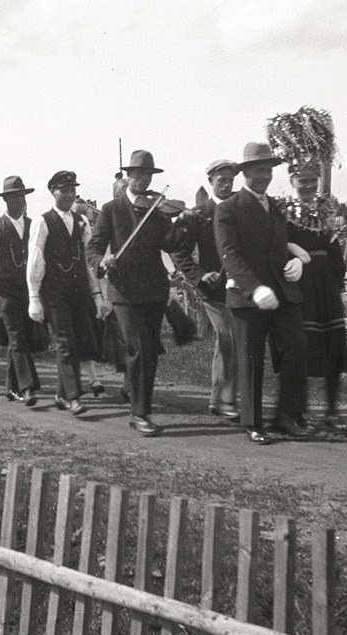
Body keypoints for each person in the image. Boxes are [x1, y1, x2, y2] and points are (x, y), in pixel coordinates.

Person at [216, 142, 312, 445]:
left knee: (296, 348)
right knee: (252, 358)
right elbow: (229, 254)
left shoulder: (276, 208)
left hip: (282, 293)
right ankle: (253, 422)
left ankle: (287, 414)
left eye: (269, 171)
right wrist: (254, 288)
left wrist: (297, 258)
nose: (265, 177)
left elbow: (283, 241)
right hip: (248, 297)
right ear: (245, 173)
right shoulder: (228, 209)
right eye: (258, 171)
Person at [86, 150, 176, 437]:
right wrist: (101, 261)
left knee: (149, 351)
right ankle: (139, 414)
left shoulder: (159, 212)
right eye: (138, 174)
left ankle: (142, 406)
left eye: (148, 175)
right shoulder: (112, 209)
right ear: (128, 176)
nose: (143, 179)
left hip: (154, 289)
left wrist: (183, 222)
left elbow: (172, 243)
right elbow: (94, 247)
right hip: (124, 290)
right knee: (137, 348)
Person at [169, 159, 242, 420]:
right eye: (221, 179)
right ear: (210, 181)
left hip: (241, 288)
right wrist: (200, 275)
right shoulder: (198, 215)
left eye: (230, 180)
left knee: (231, 342)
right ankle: (226, 401)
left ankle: (217, 399)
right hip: (213, 291)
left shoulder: (241, 209)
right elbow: (179, 252)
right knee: (227, 338)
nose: (226, 184)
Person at [28, 171, 103, 415]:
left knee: (78, 339)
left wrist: (96, 293)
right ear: (53, 192)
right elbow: (35, 260)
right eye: (64, 190)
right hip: (54, 291)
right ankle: (73, 397)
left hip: (78, 289)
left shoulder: (82, 221)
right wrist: (34, 298)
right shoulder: (42, 222)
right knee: (64, 341)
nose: (69, 195)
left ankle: (61, 393)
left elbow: (87, 261)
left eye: (72, 190)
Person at [284, 160, 347, 429]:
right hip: (301, 282)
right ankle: (300, 410)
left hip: (326, 284)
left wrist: (341, 287)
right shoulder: (286, 212)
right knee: (303, 347)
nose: (308, 186)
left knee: (332, 345)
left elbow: (334, 252)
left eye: (312, 180)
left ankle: (332, 410)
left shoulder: (325, 210)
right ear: (292, 182)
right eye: (302, 181)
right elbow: (280, 245)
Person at [0, 175, 41, 405]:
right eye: (14, 197)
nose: (19, 201)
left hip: (29, 291)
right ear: (5, 201)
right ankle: (27, 387)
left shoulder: (34, 225)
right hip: (6, 291)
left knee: (23, 338)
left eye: (22, 196)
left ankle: (11, 387)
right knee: (17, 337)